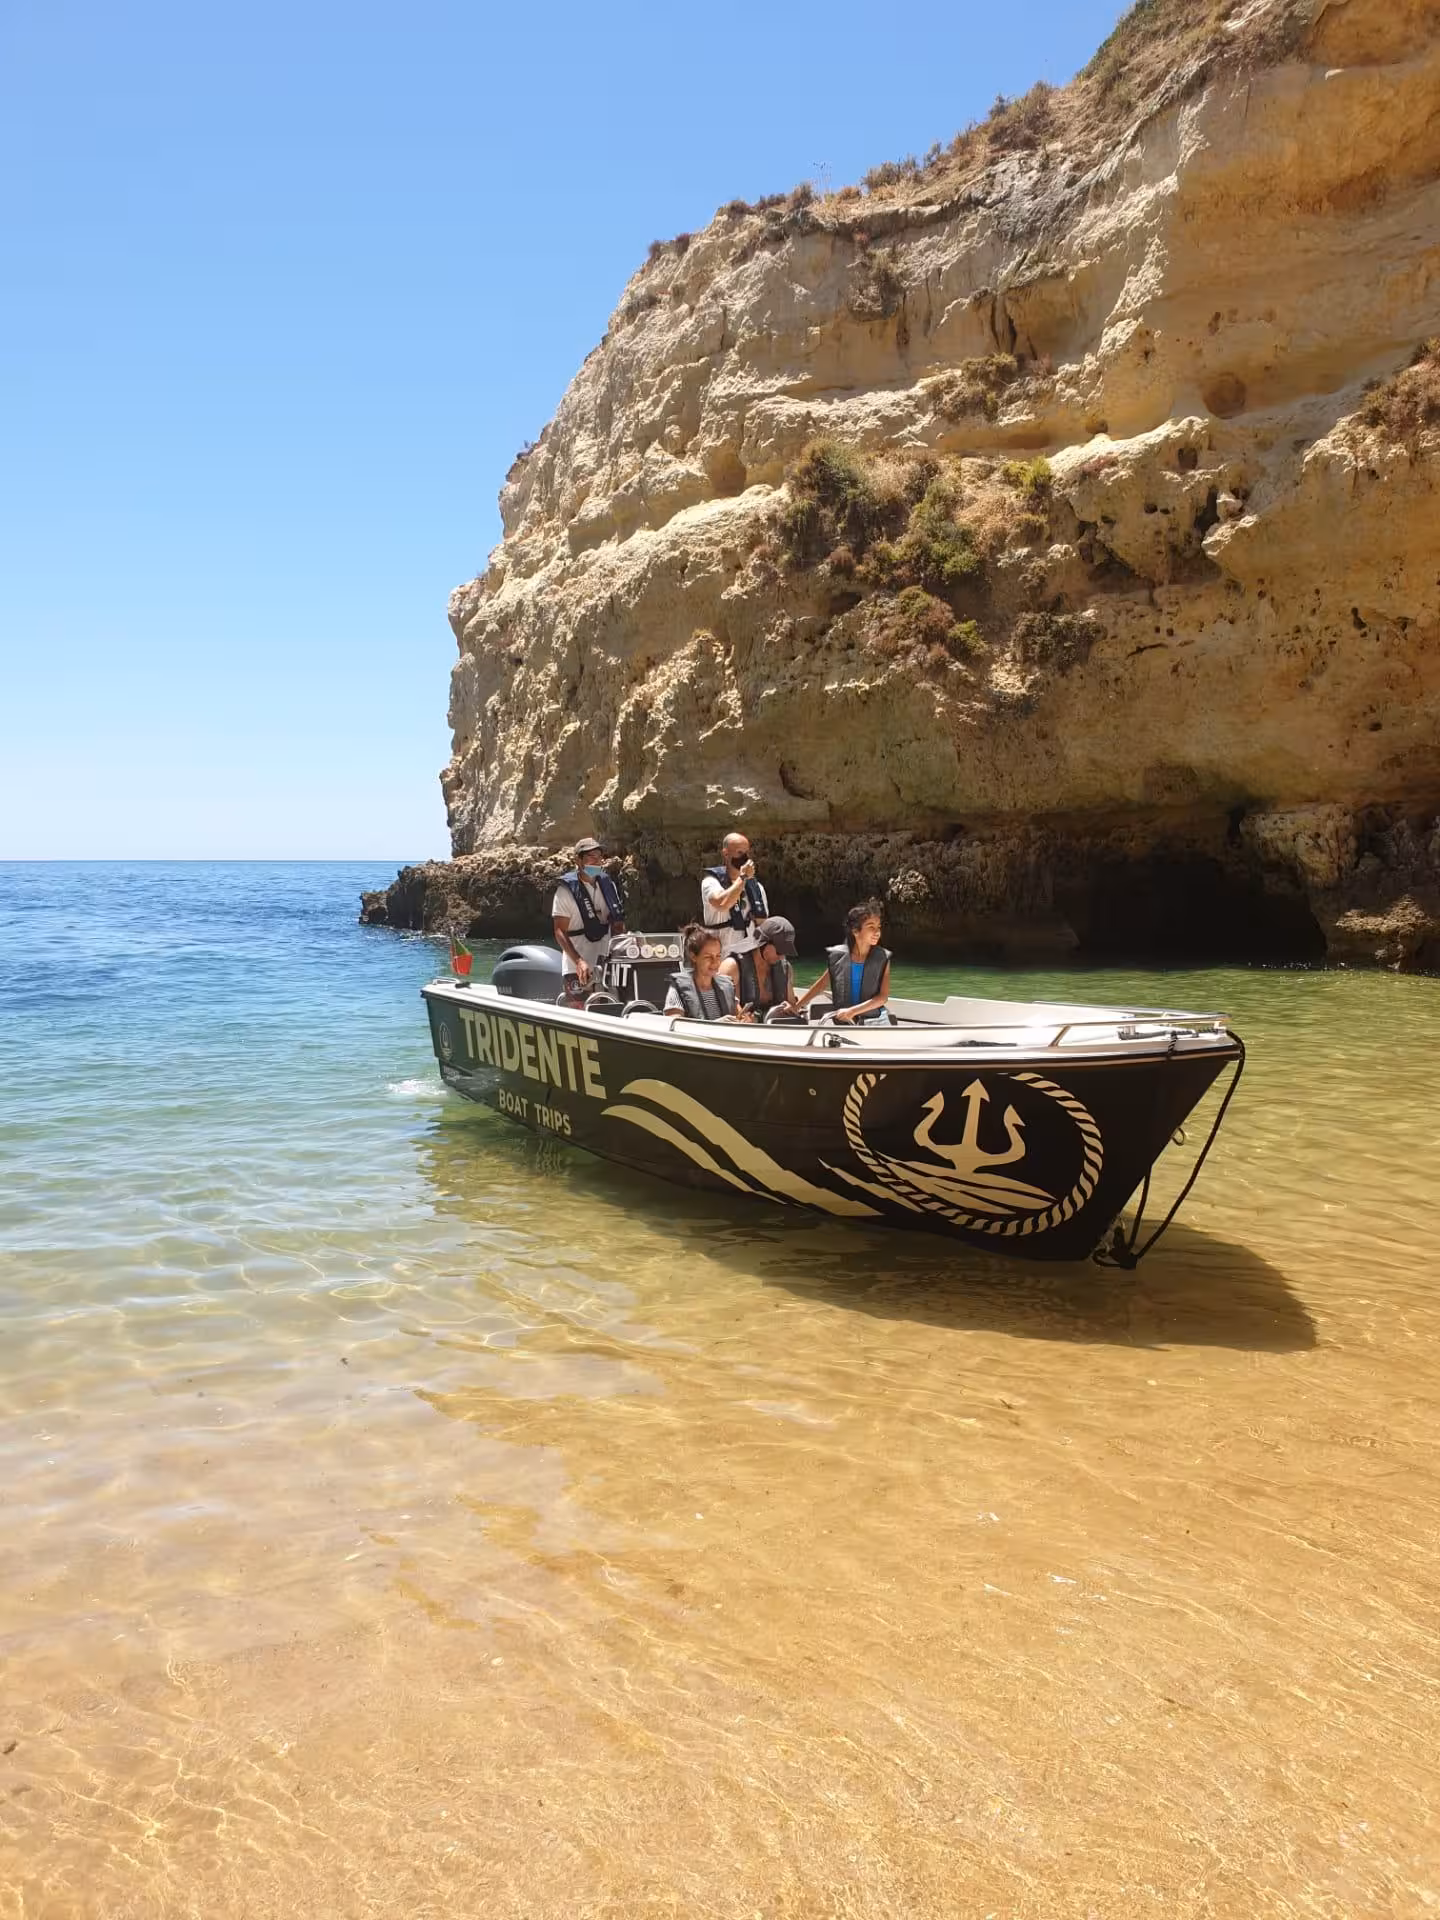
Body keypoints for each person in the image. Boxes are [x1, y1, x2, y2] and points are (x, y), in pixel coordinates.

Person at [798, 899, 893, 1024]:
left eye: (878, 927)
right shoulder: (839, 958)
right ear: (855, 931)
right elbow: (821, 985)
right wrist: (796, 1006)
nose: (877, 932)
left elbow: (882, 997)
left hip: (875, 1021)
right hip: (845, 1022)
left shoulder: (882, 958)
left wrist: (853, 1011)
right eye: (871, 927)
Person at [551, 836, 626, 991]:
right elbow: (559, 931)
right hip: (577, 968)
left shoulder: (608, 885)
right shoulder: (565, 892)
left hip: (606, 967)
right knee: (576, 1013)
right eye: (590, 857)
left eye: (599, 857)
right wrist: (579, 961)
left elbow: (617, 925)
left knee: (610, 1010)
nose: (596, 861)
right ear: (578, 860)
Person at [663, 925, 756, 1022]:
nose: (715, 962)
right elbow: (674, 1025)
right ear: (693, 956)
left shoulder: (727, 986)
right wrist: (716, 1024)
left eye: (718, 956)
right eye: (708, 957)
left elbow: (739, 1016)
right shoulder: (678, 988)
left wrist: (746, 1020)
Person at [701, 832, 770, 958]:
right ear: (726, 854)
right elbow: (722, 904)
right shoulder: (711, 882)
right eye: (739, 853)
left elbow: (763, 924)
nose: (745, 858)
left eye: (747, 853)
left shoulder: (757, 887)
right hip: (720, 957)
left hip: (748, 957)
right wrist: (743, 877)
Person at [719, 915, 800, 1018]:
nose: (782, 957)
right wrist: (741, 1017)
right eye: (779, 951)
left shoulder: (785, 969)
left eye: (785, 952)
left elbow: (793, 1004)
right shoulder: (731, 967)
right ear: (763, 944)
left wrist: (790, 1008)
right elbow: (727, 1012)